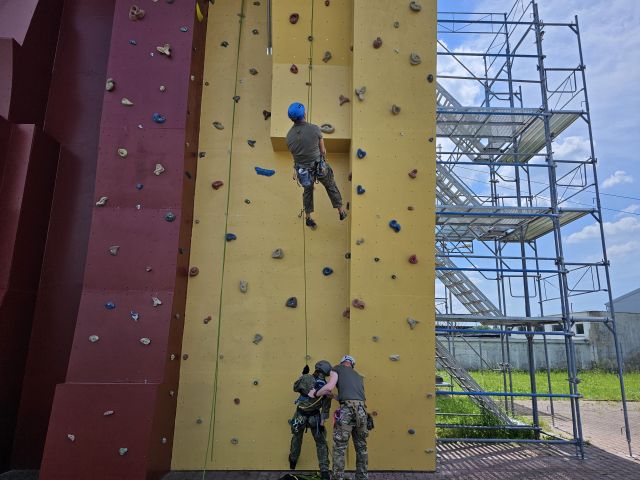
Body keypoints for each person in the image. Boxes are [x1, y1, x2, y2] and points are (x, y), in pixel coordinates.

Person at [286, 102, 347, 229]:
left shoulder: (289, 136)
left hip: (303, 171)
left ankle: (308, 217)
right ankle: (341, 211)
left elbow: (296, 156)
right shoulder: (314, 129)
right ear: (304, 114)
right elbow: (323, 151)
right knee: (330, 185)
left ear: (291, 118)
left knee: (307, 192)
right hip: (319, 167)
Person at [313, 355, 369, 480]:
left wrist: (316, 393)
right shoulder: (358, 376)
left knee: (340, 448)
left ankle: (338, 477)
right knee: (361, 447)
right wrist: (333, 396)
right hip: (361, 411)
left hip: (347, 411)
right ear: (352, 364)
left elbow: (329, 386)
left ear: (342, 362)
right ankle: (362, 477)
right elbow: (351, 396)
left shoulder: (337, 369)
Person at [288, 360, 333, 480]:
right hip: (315, 418)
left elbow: (295, 387)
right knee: (321, 443)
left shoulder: (307, 378)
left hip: (300, 416)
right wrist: (322, 424)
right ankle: (324, 471)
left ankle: (292, 461)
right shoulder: (327, 388)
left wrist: (303, 375)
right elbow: (325, 409)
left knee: (297, 438)